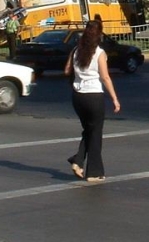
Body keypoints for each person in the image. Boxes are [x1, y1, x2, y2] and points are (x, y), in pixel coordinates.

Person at [64, 19, 120, 183]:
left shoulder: (76, 50)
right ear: (99, 34)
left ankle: (78, 160)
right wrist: (115, 99)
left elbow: (67, 69)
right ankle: (94, 172)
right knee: (95, 133)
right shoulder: (99, 53)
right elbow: (105, 77)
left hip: (78, 96)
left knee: (89, 130)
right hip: (94, 96)